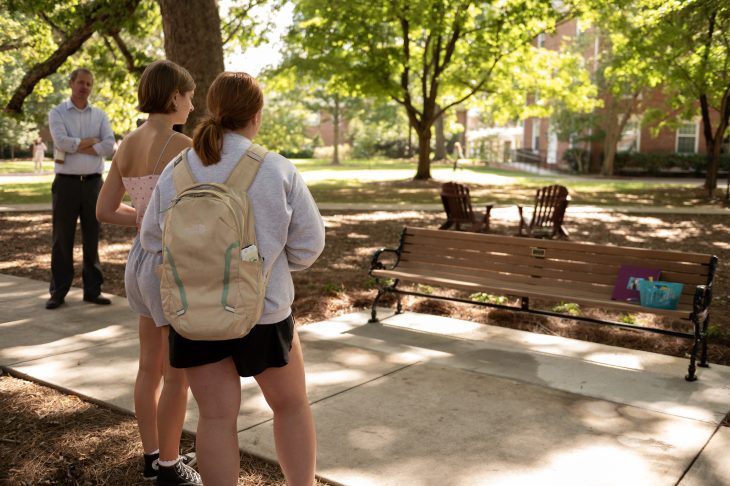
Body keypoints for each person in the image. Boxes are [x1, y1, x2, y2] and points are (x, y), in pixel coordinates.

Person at [140, 72, 325, 486]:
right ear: (256, 116)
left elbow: (152, 240)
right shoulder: (275, 168)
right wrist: (264, 266)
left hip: (194, 315)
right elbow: (310, 246)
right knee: (291, 407)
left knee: (217, 418)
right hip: (264, 311)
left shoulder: (176, 170)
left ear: (213, 110)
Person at [96, 60, 201, 485]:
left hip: (138, 261)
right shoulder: (183, 147)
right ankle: (171, 468)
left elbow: (104, 210)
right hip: (169, 264)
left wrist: (141, 217)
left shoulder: (126, 144)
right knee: (177, 374)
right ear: (173, 95)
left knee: (147, 367)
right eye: (190, 96)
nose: (192, 105)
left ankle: (152, 456)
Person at [46, 68, 115, 309]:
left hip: (94, 183)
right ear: (71, 83)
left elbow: (109, 146)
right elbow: (61, 142)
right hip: (66, 184)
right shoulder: (57, 112)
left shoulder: (100, 115)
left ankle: (92, 291)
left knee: (92, 237)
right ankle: (58, 291)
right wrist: (91, 142)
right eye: (81, 82)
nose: (85, 87)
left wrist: (77, 145)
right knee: (61, 239)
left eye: (89, 83)